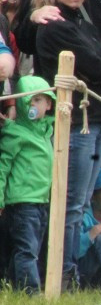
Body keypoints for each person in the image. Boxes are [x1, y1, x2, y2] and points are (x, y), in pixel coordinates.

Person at [33, 0, 101, 291]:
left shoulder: (81, 22)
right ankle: (64, 272)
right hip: (76, 122)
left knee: (83, 201)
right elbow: (100, 66)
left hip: (97, 117)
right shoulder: (53, 25)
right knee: (71, 202)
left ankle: (75, 269)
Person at [0, 75, 54, 293]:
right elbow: (3, 167)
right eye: (29, 101)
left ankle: (16, 285)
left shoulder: (47, 132)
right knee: (26, 249)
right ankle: (29, 291)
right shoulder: (16, 133)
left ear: (49, 104)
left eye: (39, 100)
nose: (34, 105)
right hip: (22, 202)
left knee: (32, 248)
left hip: (41, 200)